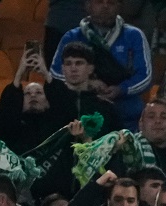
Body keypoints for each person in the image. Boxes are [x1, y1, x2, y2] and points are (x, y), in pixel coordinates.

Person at [51, 0, 154, 131]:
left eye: (111, 2)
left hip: (126, 117)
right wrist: (88, 83)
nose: (105, 6)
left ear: (119, 6)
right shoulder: (72, 36)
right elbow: (56, 73)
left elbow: (145, 76)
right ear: (88, 5)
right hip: (79, 117)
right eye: (99, 2)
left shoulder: (134, 35)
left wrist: (121, 89)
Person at [47, 41, 123, 134]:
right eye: (68, 63)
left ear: (90, 69)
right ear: (63, 69)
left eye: (79, 63)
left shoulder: (105, 108)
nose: (73, 69)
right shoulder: (51, 103)